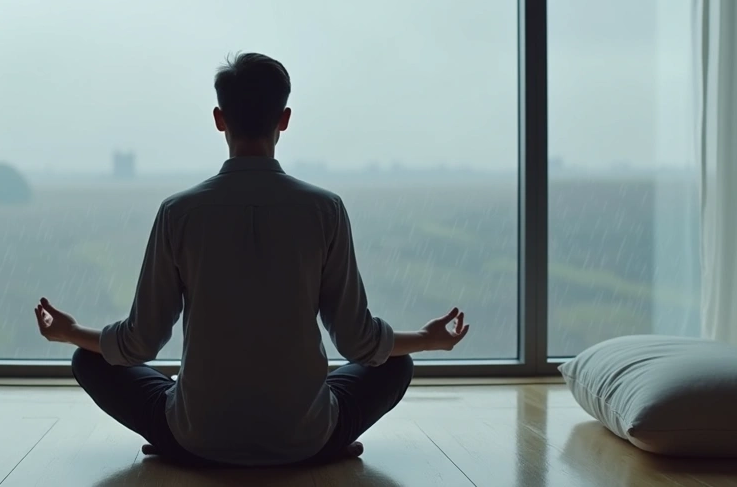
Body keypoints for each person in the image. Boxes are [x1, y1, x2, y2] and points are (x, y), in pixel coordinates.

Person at [33, 52, 468, 467]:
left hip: (196, 438)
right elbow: (359, 344)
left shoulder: (178, 213)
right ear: (285, 119)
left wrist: (71, 332)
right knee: (396, 364)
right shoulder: (325, 210)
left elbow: (137, 345)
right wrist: (427, 340)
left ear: (219, 119)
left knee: (87, 359)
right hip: (306, 438)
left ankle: (189, 440)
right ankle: (316, 444)